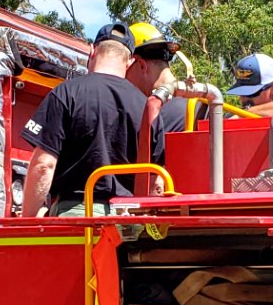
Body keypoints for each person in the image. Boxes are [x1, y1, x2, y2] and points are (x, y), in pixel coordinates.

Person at [20, 23, 165, 217]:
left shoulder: (66, 93)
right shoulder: (148, 108)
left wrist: (27, 219)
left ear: (92, 51)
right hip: (127, 223)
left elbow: (43, 166)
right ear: (129, 61)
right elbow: (157, 183)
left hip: (76, 219)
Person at [126, 22, 194, 133]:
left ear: (141, 65)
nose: (124, 81)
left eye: (126, 70)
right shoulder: (202, 104)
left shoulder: (153, 120)